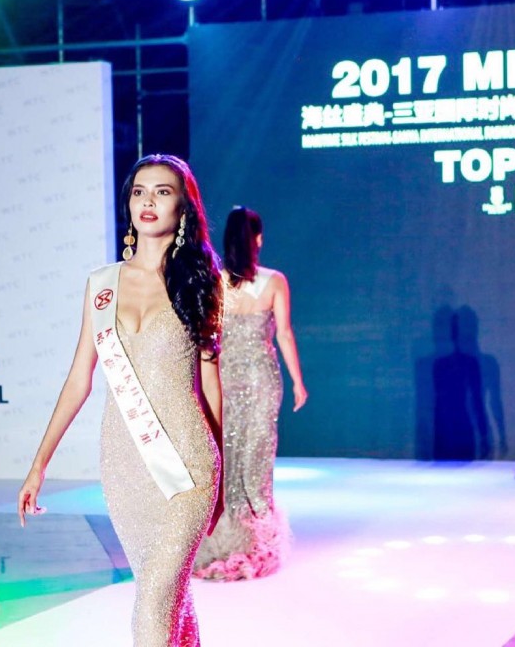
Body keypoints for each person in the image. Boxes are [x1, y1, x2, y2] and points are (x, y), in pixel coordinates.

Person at [18, 154, 224, 646]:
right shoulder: (101, 285)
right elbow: (79, 379)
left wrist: (223, 486)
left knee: (154, 605)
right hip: (124, 468)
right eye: (138, 191)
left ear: (183, 207)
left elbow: (212, 388)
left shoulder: (200, 281)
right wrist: (39, 465)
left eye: (162, 192)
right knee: (172, 602)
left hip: (189, 468)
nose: (148, 201)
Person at [193, 206, 308, 581]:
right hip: (260, 378)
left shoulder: (215, 282)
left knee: (226, 451)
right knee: (256, 452)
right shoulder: (274, 281)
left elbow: (205, 337)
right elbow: (284, 334)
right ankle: (256, 532)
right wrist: (298, 381)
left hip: (223, 378)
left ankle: (229, 527)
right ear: (257, 239)